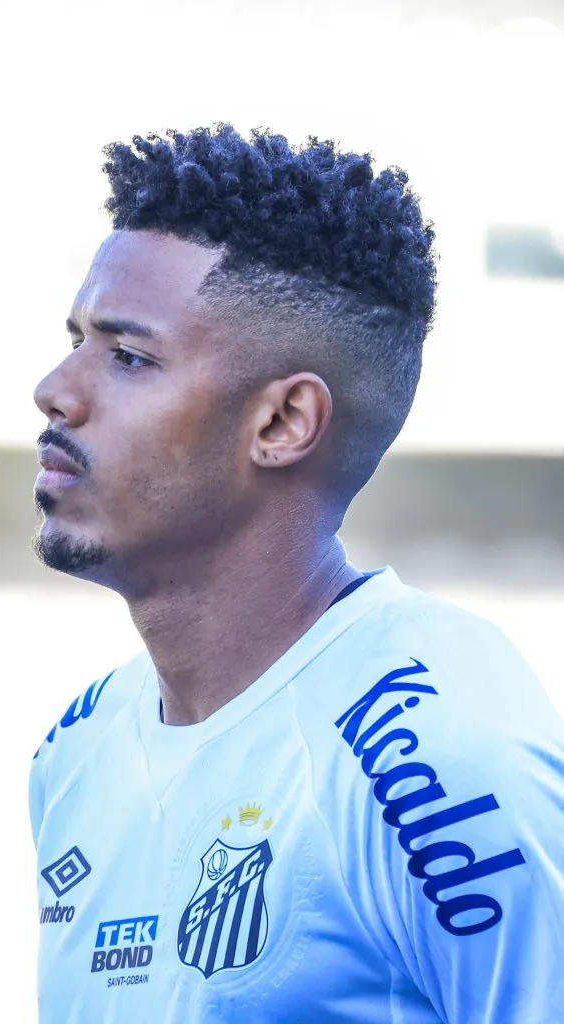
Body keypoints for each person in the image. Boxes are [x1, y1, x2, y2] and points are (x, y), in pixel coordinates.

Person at [29, 124, 564, 1023]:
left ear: (281, 424)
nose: (55, 389)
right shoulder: (74, 750)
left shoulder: (443, 763)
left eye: (128, 357)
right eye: (75, 340)